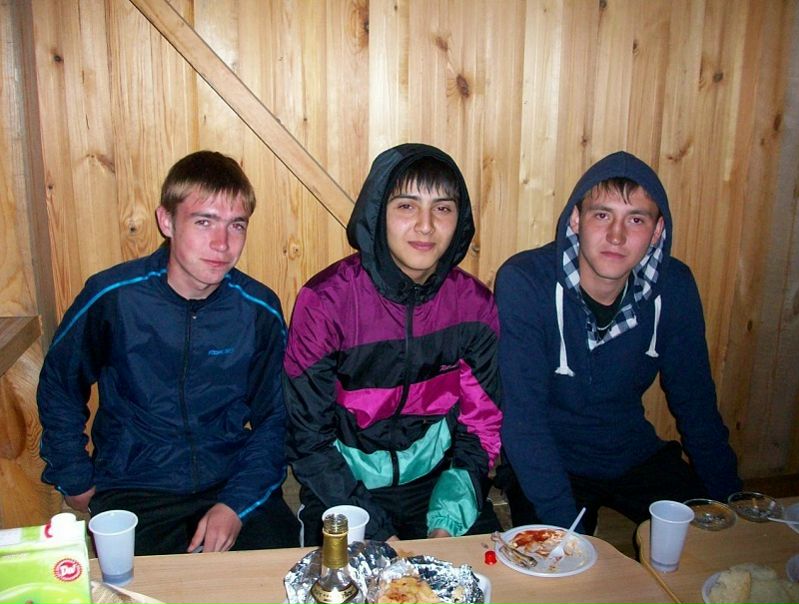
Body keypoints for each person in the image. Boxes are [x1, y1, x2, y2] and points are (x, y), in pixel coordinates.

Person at [37, 150, 298, 554]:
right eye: (203, 221)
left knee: (279, 574)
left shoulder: (258, 309)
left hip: (231, 483)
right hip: (135, 489)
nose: (222, 244)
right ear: (166, 221)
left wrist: (235, 504)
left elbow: (276, 417)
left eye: (236, 225)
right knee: (141, 585)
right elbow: (60, 382)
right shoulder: (113, 296)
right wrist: (74, 477)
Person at [495, 151, 742, 535]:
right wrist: (567, 534)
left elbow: (696, 403)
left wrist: (733, 504)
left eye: (636, 219)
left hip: (632, 454)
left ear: (657, 231)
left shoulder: (674, 287)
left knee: (709, 540)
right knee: (558, 564)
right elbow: (524, 422)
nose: (616, 236)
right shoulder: (526, 282)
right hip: (551, 459)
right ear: (576, 219)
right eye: (602, 215)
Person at [284, 143, 503, 545]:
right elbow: (308, 438)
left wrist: (446, 522)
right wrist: (378, 534)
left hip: (437, 483)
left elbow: (480, 426)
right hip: (343, 486)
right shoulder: (326, 302)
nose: (425, 225)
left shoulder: (474, 305)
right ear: (377, 212)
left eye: (442, 208)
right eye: (406, 206)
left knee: (488, 575)